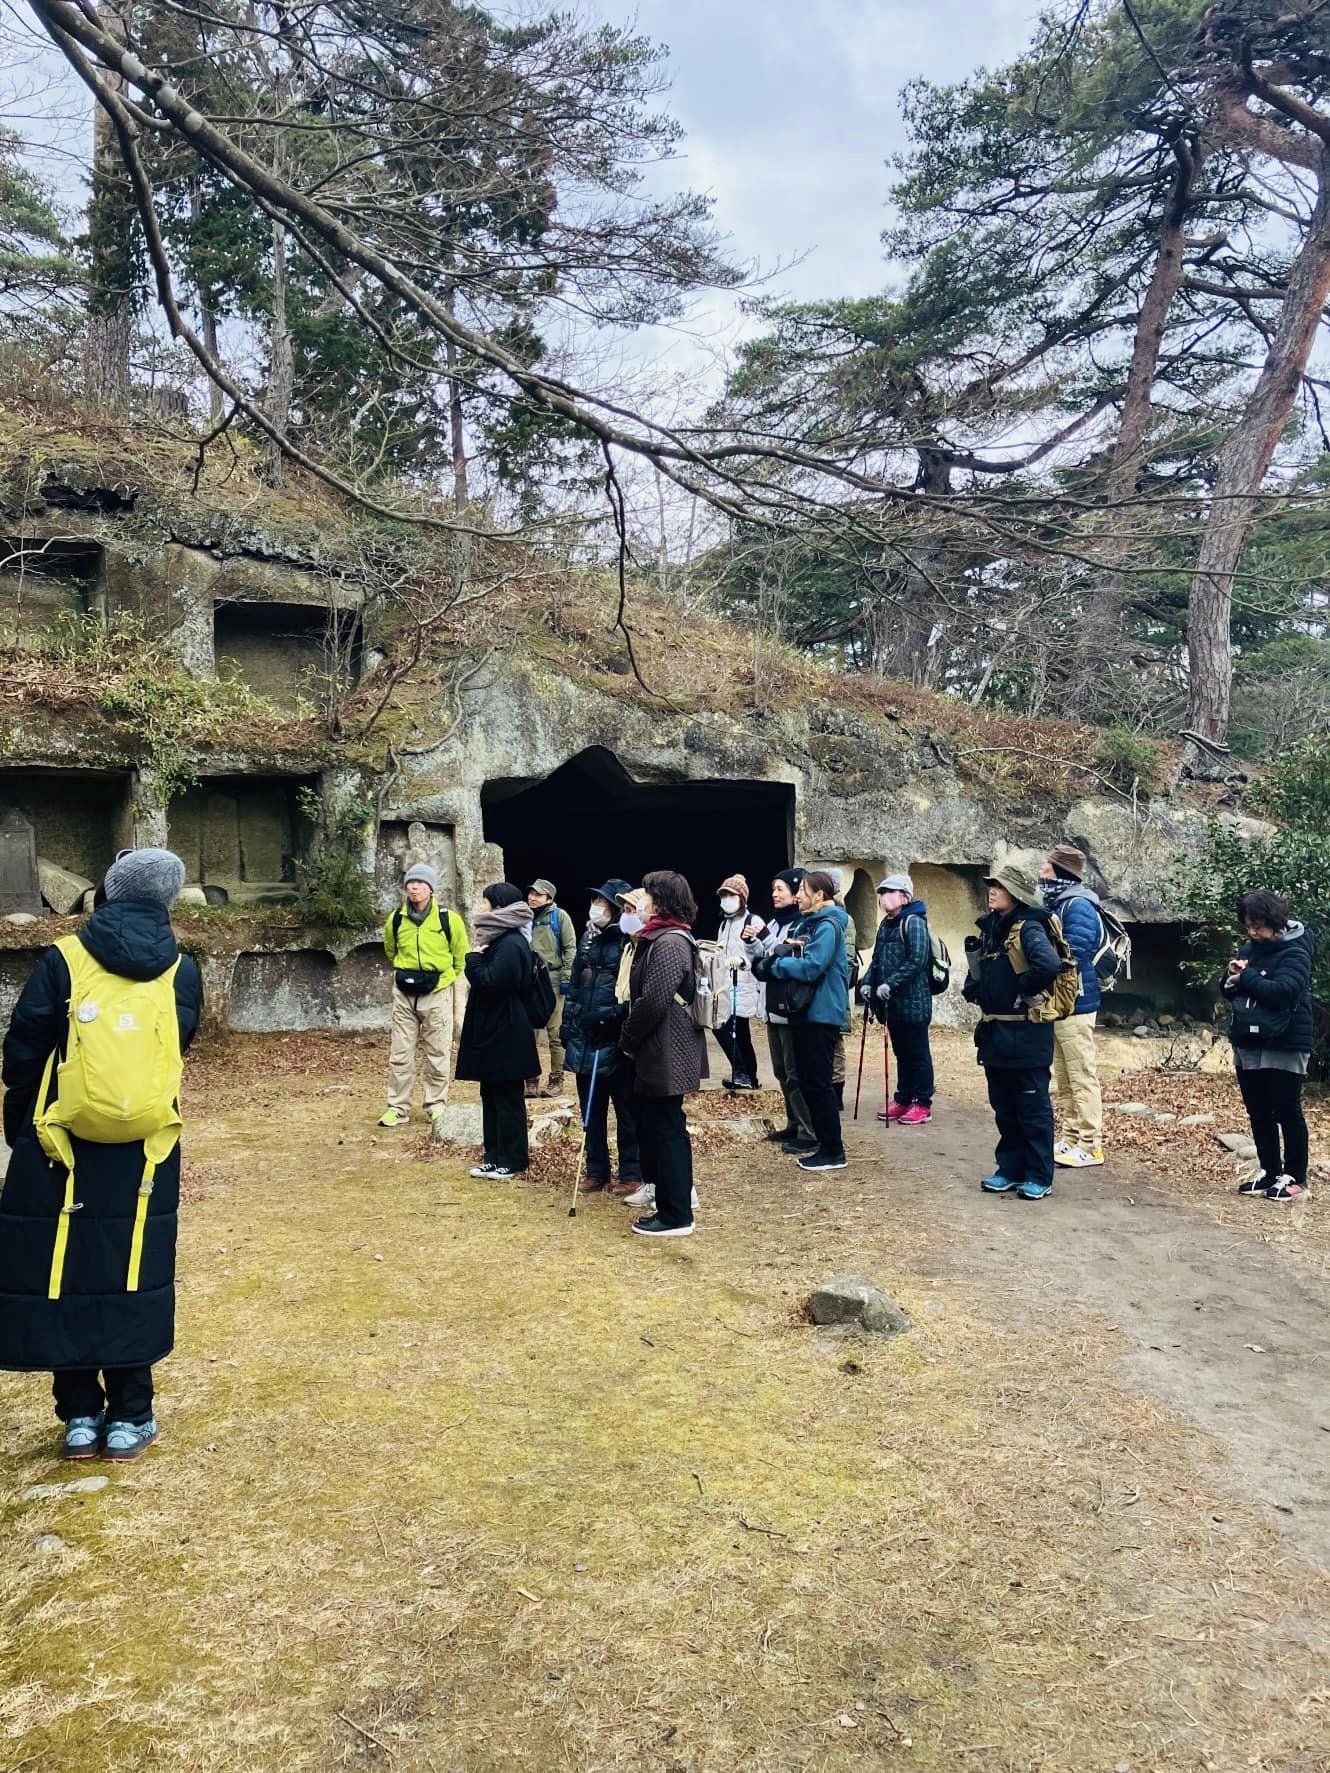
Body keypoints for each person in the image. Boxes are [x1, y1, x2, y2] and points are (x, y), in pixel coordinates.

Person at [0, 848, 202, 1461]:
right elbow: (180, 1044)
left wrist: (21, 1123)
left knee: (64, 1265)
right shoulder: (182, 968)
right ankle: (131, 1416)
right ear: (168, 898)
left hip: (62, 1136)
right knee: (131, 1268)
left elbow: (25, 1046)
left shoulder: (65, 957)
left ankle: (82, 1416)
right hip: (145, 1143)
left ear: (110, 891)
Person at [963, 862, 1063, 1201]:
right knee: (1004, 1106)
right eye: (991, 885)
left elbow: (1049, 965)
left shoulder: (1028, 929)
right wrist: (975, 988)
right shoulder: (992, 928)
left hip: (1026, 1034)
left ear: (1016, 894)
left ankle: (1038, 1175)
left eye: (1000, 887)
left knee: (1032, 1110)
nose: (992, 891)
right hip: (996, 1034)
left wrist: (1022, 988)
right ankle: (1010, 1169)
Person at [619, 870, 708, 1237]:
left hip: (667, 1046)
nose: (642, 901)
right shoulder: (657, 937)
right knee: (660, 1125)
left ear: (663, 900)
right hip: (659, 1045)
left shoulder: (670, 942)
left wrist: (628, 1036)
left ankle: (676, 1214)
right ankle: (669, 1200)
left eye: (649, 894)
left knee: (669, 1128)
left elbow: (654, 1000)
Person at [1223, 889, 1315, 1202]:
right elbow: (1234, 988)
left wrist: (1246, 977)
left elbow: (1283, 992)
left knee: (1287, 1110)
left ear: (1275, 922)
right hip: (1249, 1040)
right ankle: (1270, 1171)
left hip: (1286, 1041)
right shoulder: (1251, 947)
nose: (1252, 933)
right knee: (1258, 1111)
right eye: (1248, 926)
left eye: (1258, 926)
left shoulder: (1296, 950)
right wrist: (1231, 978)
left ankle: (1296, 1177)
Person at [756, 870, 850, 1173]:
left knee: (819, 1084)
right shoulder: (812, 924)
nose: (797, 896)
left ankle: (833, 1150)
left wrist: (776, 965)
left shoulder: (828, 925)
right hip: (808, 1013)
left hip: (821, 1014)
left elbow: (812, 967)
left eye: (803, 891)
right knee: (810, 1082)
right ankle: (825, 1145)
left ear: (820, 895)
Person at [559, 878, 642, 1195]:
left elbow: (632, 991)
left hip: (613, 1037)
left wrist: (614, 1018)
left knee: (625, 1109)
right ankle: (596, 1169)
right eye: (595, 902)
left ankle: (631, 1172)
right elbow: (576, 986)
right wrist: (567, 1026)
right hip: (585, 1035)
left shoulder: (627, 940)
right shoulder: (588, 938)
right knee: (591, 1109)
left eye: (603, 904)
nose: (596, 908)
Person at [378, 861, 470, 1128]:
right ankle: (397, 1107)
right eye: (410, 883)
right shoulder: (396, 918)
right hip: (404, 992)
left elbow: (460, 956)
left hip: (437, 991)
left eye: (420, 883)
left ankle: (435, 1105)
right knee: (400, 1052)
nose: (414, 887)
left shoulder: (447, 918)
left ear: (431, 888)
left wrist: (445, 980)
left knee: (438, 1051)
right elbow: (390, 950)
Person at [456, 884, 539, 1180]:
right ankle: (493, 1154)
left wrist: (473, 960)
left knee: (507, 1096)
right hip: (493, 1027)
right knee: (490, 1092)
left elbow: (493, 981)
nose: (482, 908)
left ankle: (514, 1158)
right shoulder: (498, 938)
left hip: (507, 1029)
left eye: (486, 903)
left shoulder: (511, 942)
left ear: (499, 907)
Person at [1038, 844, 1105, 1168]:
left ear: (1061, 872)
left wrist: (1043, 963)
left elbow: (1074, 952)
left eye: (1047, 867)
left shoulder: (1077, 906)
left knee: (1081, 1075)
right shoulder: (1059, 903)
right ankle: (1071, 1138)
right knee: (1064, 1077)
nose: (1041, 872)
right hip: (1063, 1001)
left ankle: (1091, 1145)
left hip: (1076, 1001)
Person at [745, 868, 816, 1154]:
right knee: (781, 1071)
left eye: (781, 889)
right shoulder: (774, 923)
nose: (775, 894)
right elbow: (761, 960)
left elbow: (788, 955)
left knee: (796, 1071)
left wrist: (765, 940)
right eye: (773, 889)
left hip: (791, 1006)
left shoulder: (803, 924)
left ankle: (808, 1131)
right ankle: (793, 1122)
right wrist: (752, 943)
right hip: (772, 1005)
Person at [862, 873, 935, 1125]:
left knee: (917, 1052)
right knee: (901, 1052)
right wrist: (866, 984)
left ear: (904, 895)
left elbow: (917, 960)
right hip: (891, 1003)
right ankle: (903, 1098)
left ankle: (922, 1103)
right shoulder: (886, 924)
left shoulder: (913, 922)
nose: (884, 897)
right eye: (881, 893)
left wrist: (889, 984)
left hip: (913, 1001)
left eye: (889, 891)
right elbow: (877, 960)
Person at [526, 878, 576, 1098]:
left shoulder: (559, 917)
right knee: (529, 1033)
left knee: (555, 1032)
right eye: (531, 893)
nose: (532, 897)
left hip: (553, 979)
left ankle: (556, 1079)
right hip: (529, 981)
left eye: (538, 894)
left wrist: (566, 977)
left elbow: (570, 947)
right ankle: (530, 1079)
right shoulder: (524, 917)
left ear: (549, 898)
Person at [713, 874, 763, 1090]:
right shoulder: (724, 925)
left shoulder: (755, 921)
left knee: (725, 1028)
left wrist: (743, 961)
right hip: (726, 985)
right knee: (741, 1034)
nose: (726, 899)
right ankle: (748, 1076)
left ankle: (742, 1072)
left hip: (744, 984)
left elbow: (763, 951)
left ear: (742, 898)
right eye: (723, 895)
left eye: (731, 894)